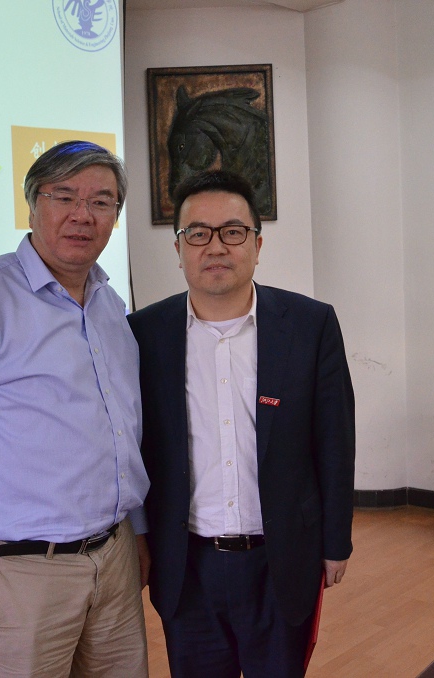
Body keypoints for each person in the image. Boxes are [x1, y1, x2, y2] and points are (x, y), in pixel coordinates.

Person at [0, 141, 150, 677]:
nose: (83, 215)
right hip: (27, 567)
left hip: (115, 555)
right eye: (65, 196)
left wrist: (137, 531)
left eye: (102, 202)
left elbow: (124, 432)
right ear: (33, 203)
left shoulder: (110, 305)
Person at [128, 170, 356, 678]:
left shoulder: (310, 324)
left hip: (281, 561)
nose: (215, 247)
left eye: (232, 231)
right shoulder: (144, 333)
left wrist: (335, 541)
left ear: (257, 244)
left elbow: (335, 441)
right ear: (178, 248)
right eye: (197, 233)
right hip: (186, 565)